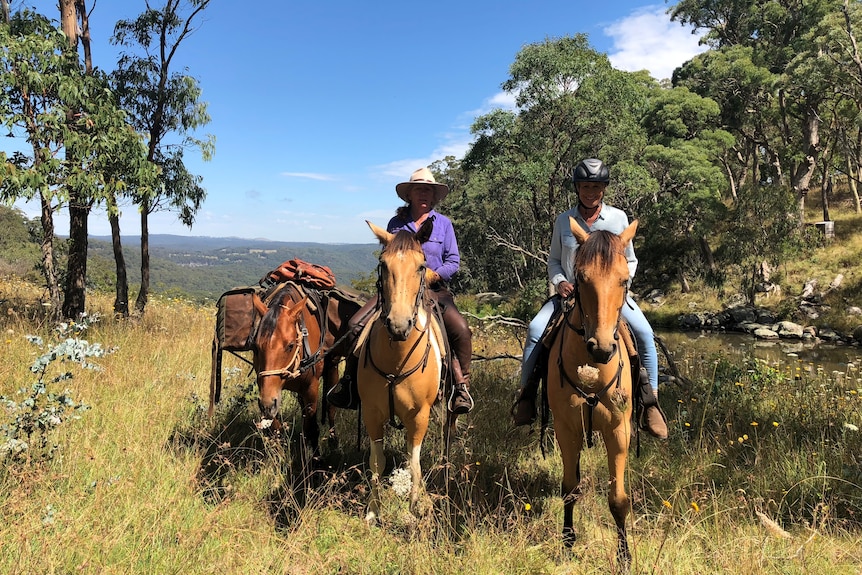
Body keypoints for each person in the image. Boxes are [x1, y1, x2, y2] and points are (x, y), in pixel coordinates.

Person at [511, 158, 668, 439]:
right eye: (585, 186)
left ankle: (650, 402)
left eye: (596, 186)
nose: (590, 192)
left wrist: (619, 283)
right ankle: (527, 396)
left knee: (644, 333)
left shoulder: (618, 219)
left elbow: (630, 261)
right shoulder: (564, 221)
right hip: (573, 295)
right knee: (536, 330)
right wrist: (560, 283)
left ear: (604, 189)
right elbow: (555, 262)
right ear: (577, 188)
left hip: (611, 296)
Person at [327, 167, 475, 414]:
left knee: (460, 330)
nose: (424, 194)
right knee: (355, 325)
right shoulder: (396, 224)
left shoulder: (444, 225)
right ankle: (350, 382)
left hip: (433, 289)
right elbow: (389, 257)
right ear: (410, 194)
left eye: (428, 190)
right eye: (419, 189)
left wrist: (433, 275)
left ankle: (460, 385)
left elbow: (453, 261)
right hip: (396, 289)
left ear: (435, 196)